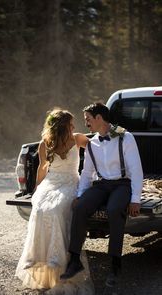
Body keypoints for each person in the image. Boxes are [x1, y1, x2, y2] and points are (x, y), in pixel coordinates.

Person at [60, 102, 143, 287]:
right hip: (102, 184)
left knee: (114, 210)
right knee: (80, 207)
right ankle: (74, 260)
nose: (86, 123)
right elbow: (87, 172)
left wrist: (135, 199)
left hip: (123, 184)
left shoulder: (125, 137)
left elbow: (136, 170)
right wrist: (81, 194)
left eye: (88, 119)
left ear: (99, 118)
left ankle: (115, 264)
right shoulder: (92, 143)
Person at [15, 108, 94, 294]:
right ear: (61, 126)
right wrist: (36, 189)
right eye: (70, 124)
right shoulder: (45, 143)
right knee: (42, 209)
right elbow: (42, 168)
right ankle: (45, 267)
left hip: (70, 182)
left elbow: (97, 150)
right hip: (52, 182)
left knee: (58, 210)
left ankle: (63, 265)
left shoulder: (77, 138)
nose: (74, 126)